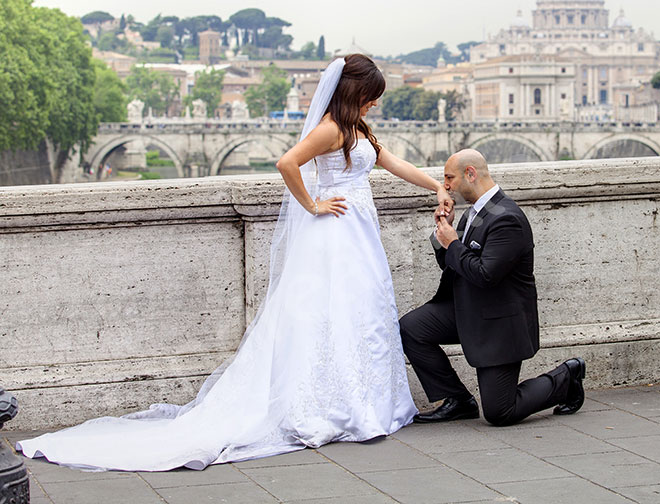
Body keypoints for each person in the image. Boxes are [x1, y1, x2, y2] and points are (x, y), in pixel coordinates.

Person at [17, 54, 453, 471]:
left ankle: (362, 399)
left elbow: (392, 163)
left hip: (359, 232)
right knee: (331, 313)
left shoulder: (357, 127)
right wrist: (314, 205)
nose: (376, 101)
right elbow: (288, 163)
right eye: (371, 93)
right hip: (336, 233)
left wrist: (436, 185)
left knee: (360, 312)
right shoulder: (330, 129)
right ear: (354, 90)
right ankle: (336, 404)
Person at [399, 149, 586, 426]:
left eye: (449, 178)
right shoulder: (473, 213)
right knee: (411, 328)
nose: (445, 185)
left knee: (500, 412)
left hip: (499, 323)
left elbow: (486, 275)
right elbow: (454, 265)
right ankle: (458, 400)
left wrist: (453, 243)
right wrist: (443, 234)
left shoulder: (507, 219)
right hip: (469, 309)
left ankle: (566, 379)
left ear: (470, 174)